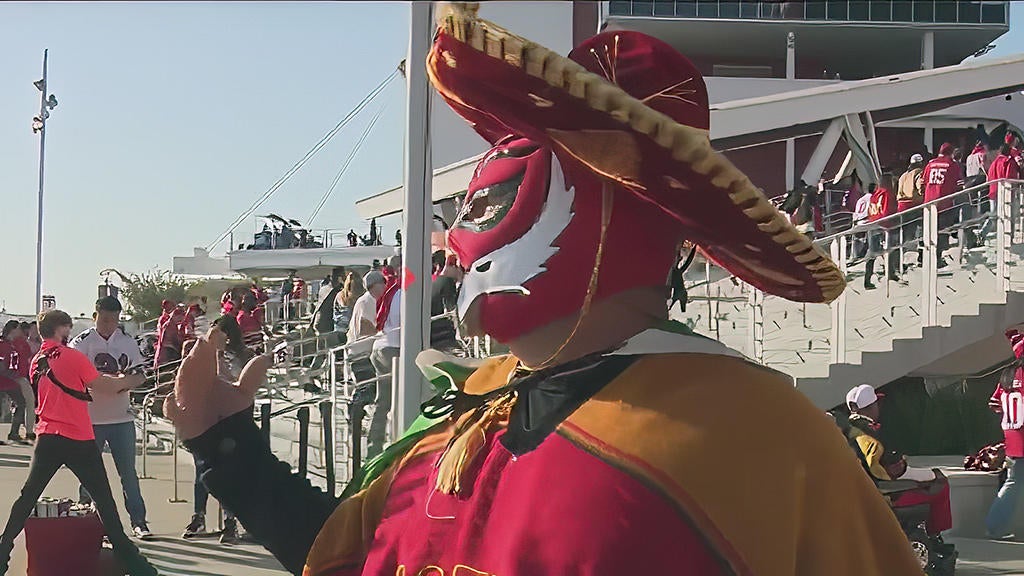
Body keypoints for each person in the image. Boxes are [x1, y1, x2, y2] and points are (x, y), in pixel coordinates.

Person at [164, 12, 921, 575]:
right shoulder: (463, 411)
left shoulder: (758, 434)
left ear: (611, 204)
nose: (462, 235)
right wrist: (230, 451)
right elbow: (356, 560)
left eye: (491, 202)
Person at [0, 310, 157, 575]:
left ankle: (3, 551)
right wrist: (135, 379)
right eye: (68, 327)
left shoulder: (38, 360)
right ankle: (134, 563)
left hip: (47, 437)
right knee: (105, 502)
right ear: (62, 329)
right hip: (78, 438)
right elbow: (103, 386)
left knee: (27, 498)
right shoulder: (73, 357)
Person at [70, 296, 152, 540]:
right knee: (88, 472)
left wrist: (124, 383)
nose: (109, 325)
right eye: (104, 319)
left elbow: (140, 374)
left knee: (128, 473)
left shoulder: (126, 342)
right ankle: (86, 519)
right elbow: (78, 378)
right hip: (90, 418)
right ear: (95, 316)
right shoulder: (82, 343)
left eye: (114, 320)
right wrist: (106, 384)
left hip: (120, 418)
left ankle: (139, 521)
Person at [844, 384, 954, 548]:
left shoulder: (848, 429)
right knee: (940, 482)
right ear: (871, 407)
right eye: (876, 405)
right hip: (886, 494)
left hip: (860, 491)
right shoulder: (872, 433)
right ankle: (935, 539)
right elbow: (897, 470)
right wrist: (931, 475)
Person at [181, 317, 253, 545]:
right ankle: (198, 516)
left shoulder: (238, 356)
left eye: (221, 333)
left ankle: (230, 521)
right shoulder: (200, 353)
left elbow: (243, 386)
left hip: (229, 420)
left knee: (226, 471)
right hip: (203, 418)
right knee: (202, 470)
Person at [986, 328, 1024, 539]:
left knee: (1013, 484)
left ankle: (995, 525)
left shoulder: (1007, 376)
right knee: (1014, 485)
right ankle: (994, 525)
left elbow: (994, 403)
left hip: (1012, 440)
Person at [923, 142, 965, 268]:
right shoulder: (952, 165)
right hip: (944, 202)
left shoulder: (930, 164)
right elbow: (959, 184)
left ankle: (927, 257)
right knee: (942, 232)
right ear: (951, 152)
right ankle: (938, 258)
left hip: (929, 203)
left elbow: (924, 181)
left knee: (929, 231)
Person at [863, 174, 900, 289]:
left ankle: (867, 279)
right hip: (884, 224)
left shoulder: (875, 194)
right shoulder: (887, 193)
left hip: (873, 223)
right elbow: (888, 210)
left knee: (872, 252)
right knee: (891, 248)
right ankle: (891, 272)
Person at [0, 321, 35, 443]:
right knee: (19, 403)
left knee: (21, 402)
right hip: (5, 380)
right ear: (12, 330)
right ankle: (14, 433)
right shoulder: (3, 344)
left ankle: (14, 432)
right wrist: (12, 374)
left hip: (9, 382)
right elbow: (2, 366)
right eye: (17, 329)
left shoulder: (11, 344)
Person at [982, 142, 1023, 239]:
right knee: (1009, 216)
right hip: (1006, 193)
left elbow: (989, 178)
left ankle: (984, 233)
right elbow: (1010, 178)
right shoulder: (1008, 162)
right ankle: (1009, 237)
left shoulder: (994, 163)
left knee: (994, 216)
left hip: (993, 192)